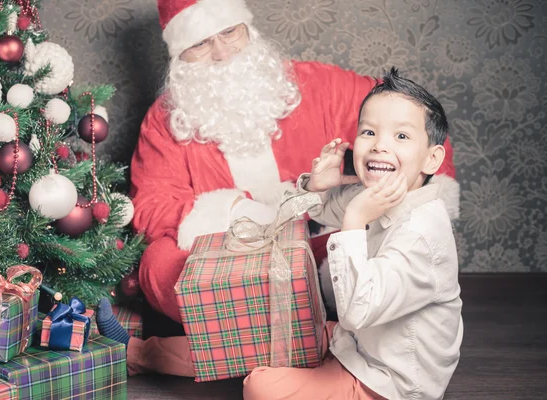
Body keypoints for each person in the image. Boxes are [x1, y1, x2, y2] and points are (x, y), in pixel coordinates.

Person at [97, 67, 463, 399]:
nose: (380, 144)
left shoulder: (422, 235)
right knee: (253, 332)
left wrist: (354, 219)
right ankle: (136, 354)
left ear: (432, 159)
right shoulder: (382, 195)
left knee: (260, 385)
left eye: (401, 135)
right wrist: (319, 185)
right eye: (369, 132)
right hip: (353, 345)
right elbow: (316, 209)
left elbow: (357, 311)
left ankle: (274, 372)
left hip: (387, 382)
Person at [128, 0, 460, 325]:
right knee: (159, 265)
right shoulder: (166, 120)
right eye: (200, 43)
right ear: (180, 55)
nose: (222, 53)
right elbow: (152, 206)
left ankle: (273, 329)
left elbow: (416, 120)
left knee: (368, 254)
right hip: (233, 261)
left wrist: (419, 207)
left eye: (229, 32)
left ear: (247, 29)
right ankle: (288, 331)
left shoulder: (318, 84)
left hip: (322, 247)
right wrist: (237, 214)